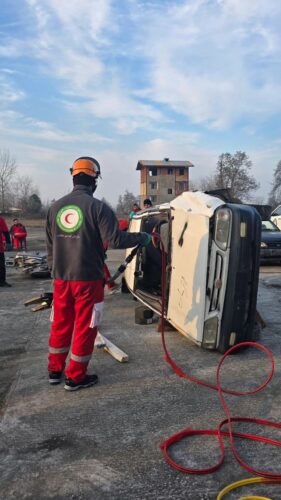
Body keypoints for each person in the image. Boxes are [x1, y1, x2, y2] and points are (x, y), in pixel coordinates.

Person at [46, 156, 151, 391]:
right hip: (87, 279)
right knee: (86, 325)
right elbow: (115, 240)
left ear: (73, 176)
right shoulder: (99, 208)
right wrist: (141, 238)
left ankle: (54, 370)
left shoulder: (55, 208)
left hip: (61, 278)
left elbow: (50, 246)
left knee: (61, 323)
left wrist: (56, 272)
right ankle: (75, 376)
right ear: (94, 180)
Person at [0, 215, 12, 287]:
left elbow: (6, 232)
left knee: (1, 265)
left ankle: (2, 281)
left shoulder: (0, 220)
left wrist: (8, 243)